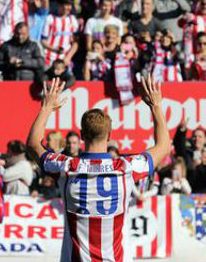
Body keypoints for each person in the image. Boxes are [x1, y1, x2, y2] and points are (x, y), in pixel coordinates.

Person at [27, 76, 169, 262]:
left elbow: (33, 144)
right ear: (109, 135)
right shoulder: (126, 168)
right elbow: (164, 146)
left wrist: (46, 107)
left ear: (82, 135)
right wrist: (155, 106)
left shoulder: (66, 167)